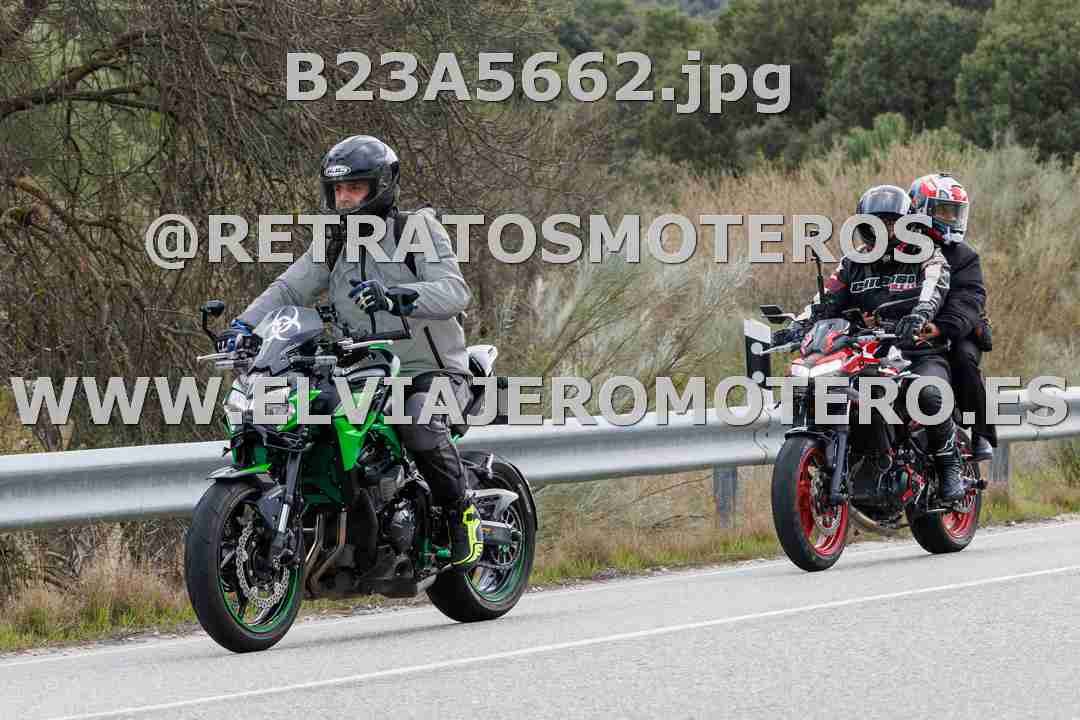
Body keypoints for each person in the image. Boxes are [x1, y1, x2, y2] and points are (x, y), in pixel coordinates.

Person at [216, 135, 484, 570]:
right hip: (359, 369)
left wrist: (398, 297)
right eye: (338, 189)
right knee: (302, 416)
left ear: (381, 186)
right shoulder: (333, 239)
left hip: (428, 370)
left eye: (354, 188)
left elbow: (455, 291)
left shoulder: (416, 230)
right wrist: (243, 326)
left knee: (416, 420)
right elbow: (290, 288)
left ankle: (461, 514)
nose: (343, 198)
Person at [772, 184, 966, 502]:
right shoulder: (853, 262)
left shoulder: (927, 255)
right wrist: (797, 326)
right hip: (867, 348)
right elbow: (825, 300)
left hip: (917, 348)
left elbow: (934, 288)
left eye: (891, 222)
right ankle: (858, 456)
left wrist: (919, 316)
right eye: (875, 222)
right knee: (822, 382)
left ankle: (949, 467)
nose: (884, 229)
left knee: (929, 392)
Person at [908, 172, 995, 460]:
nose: (950, 218)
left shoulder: (964, 255)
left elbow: (969, 299)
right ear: (919, 208)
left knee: (963, 359)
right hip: (908, 327)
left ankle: (980, 431)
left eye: (955, 212)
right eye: (943, 211)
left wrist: (940, 327)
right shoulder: (900, 249)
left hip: (956, 327)